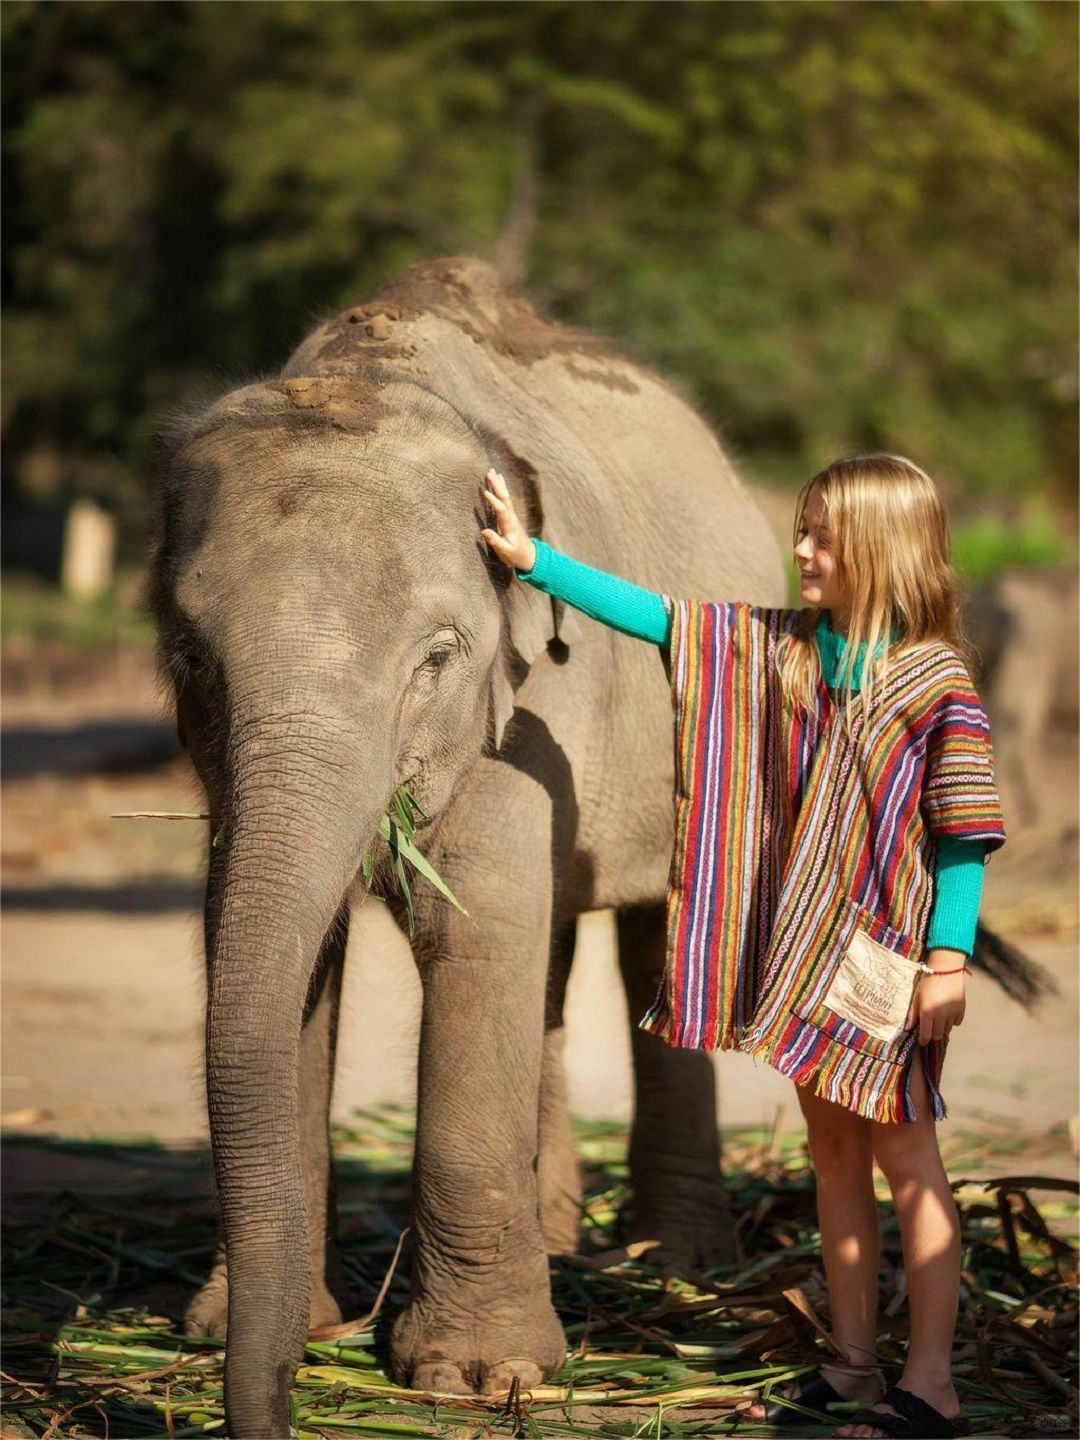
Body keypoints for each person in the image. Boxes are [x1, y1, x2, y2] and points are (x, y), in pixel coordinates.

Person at [480, 454, 1005, 1440]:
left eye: (821, 536)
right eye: (802, 530)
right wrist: (533, 560)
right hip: (809, 963)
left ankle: (929, 1381)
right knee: (833, 1156)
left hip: (891, 966)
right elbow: (663, 619)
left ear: (880, 550)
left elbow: (963, 831)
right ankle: (851, 1367)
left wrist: (949, 961)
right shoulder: (786, 651)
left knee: (908, 1162)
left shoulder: (938, 683)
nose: (800, 550)